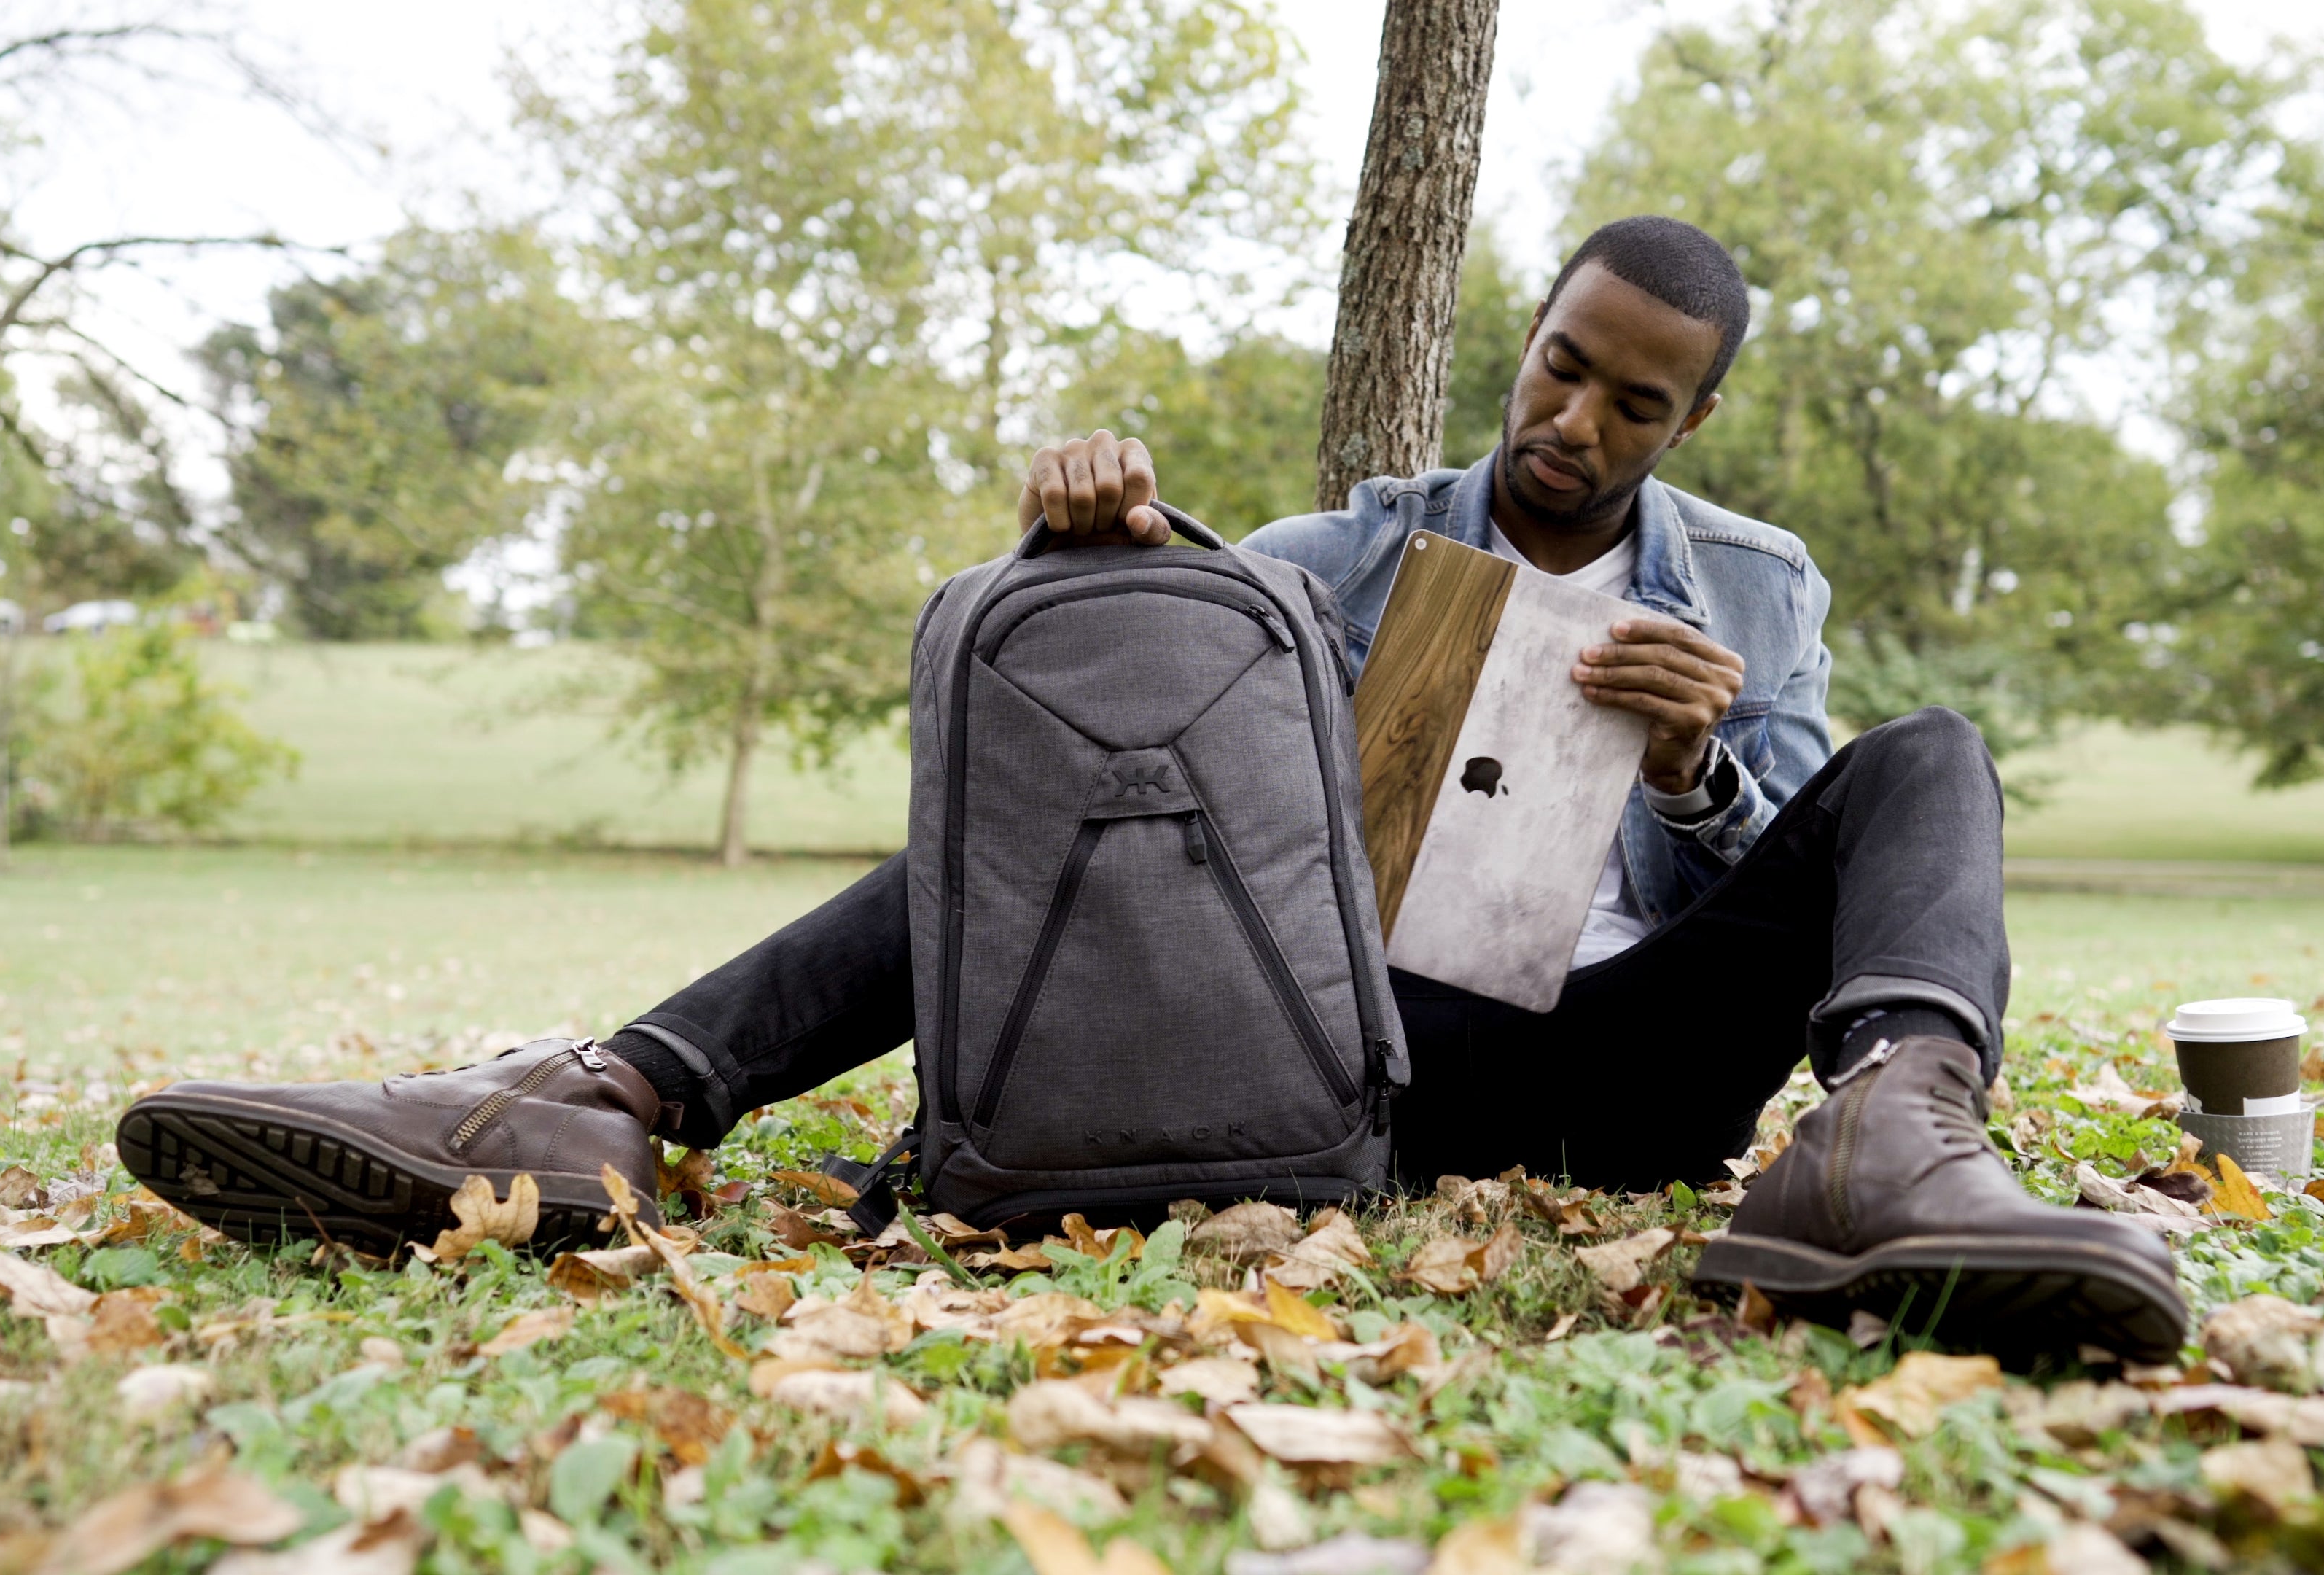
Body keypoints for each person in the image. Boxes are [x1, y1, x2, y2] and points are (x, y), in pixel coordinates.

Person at [118, 216, 2186, 1361]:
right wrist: (1088, 537)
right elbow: (1116, 727)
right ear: (1532, 334)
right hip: (1345, 1046)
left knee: (1935, 759)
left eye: (1635, 400)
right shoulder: (1344, 551)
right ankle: (606, 1104)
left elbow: (1820, 856)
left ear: (1693, 414)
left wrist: (1703, 763)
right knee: (1028, 831)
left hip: (1640, 1063)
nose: (1577, 416)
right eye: (1561, 362)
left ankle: (1893, 1152)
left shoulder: (1754, 584)